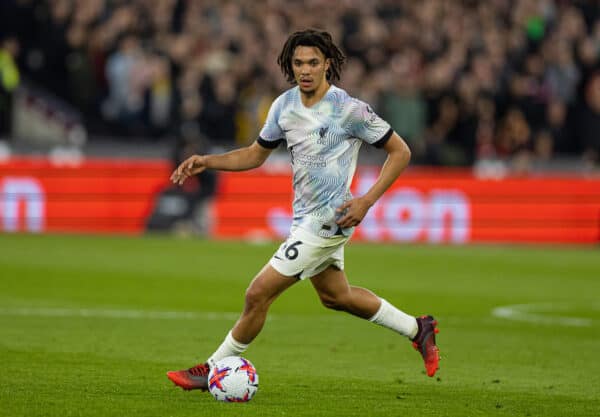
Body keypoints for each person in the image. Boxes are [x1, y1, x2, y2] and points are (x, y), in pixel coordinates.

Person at [166, 29, 440, 392]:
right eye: (298, 63)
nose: (305, 70)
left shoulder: (349, 110)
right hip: (304, 218)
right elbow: (255, 154)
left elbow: (400, 151)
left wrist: (366, 201)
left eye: (313, 62)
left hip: (328, 220)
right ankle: (417, 328)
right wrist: (208, 161)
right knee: (335, 297)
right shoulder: (284, 106)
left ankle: (212, 369)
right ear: (289, 66)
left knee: (257, 293)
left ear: (328, 63)